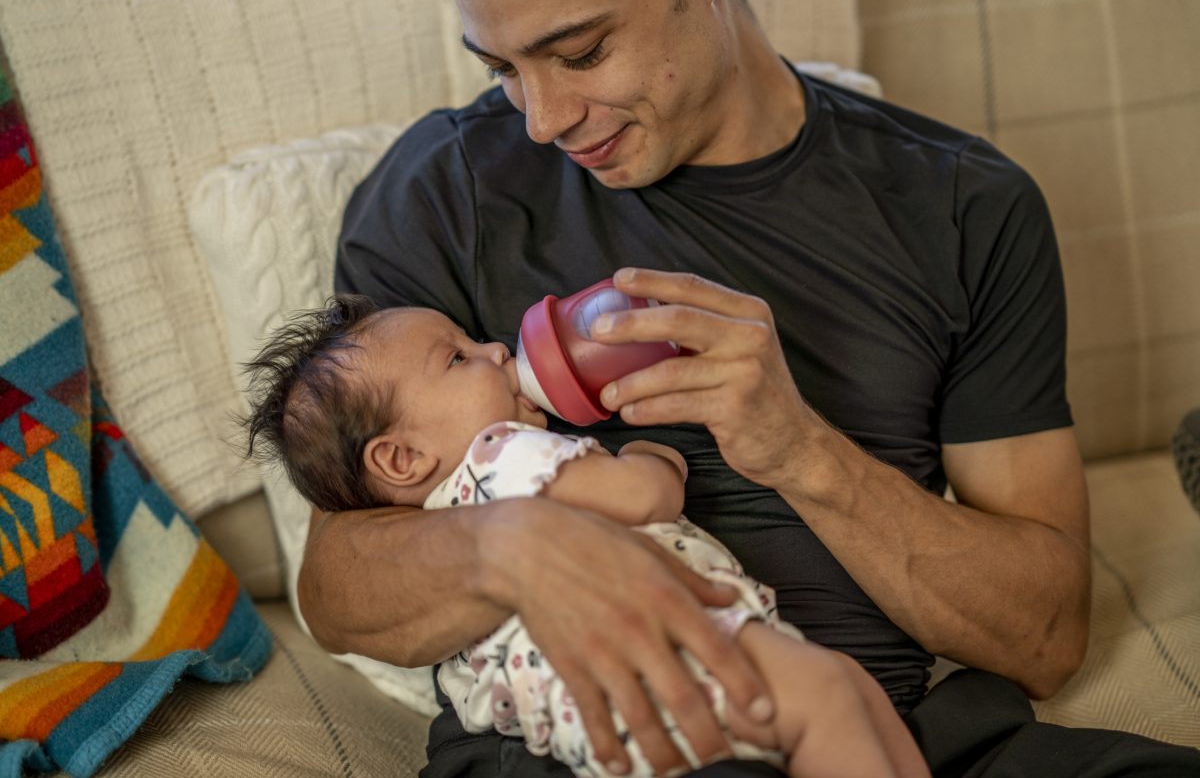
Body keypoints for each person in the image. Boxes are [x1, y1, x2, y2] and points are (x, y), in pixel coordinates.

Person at [300, 0, 1200, 775]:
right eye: (502, 67)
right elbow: (338, 587)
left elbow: (1045, 639)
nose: (542, 118)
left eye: (581, 52)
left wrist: (800, 450)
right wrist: (518, 547)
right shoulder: (446, 190)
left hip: (883, 729)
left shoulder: (965, 206)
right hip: (593, 749)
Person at [241, 296, 929, 778]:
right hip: (663, 661)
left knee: (842, 689)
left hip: (596, 719)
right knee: (832, 693)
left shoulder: (441, 522)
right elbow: (645, 497)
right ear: (402, 459)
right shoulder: (501, 457)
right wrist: (658, 456)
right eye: (457, 358)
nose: (495, 350)